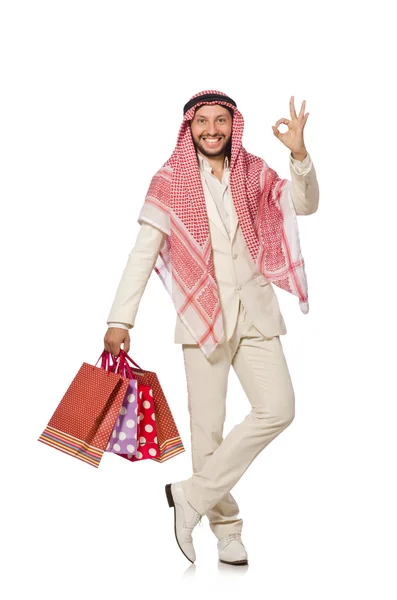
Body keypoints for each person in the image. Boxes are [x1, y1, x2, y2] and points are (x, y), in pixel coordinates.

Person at [104, 90, 319, 565]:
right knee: (207, 432)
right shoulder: (169, 181)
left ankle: (191, 497)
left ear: (232, 124)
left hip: (256, 313)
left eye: (221, 120)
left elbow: (303, 205)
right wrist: (121, 318)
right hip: (202, 318)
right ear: (190, 126)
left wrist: (299, 155)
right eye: (203, 121)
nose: (212, 130)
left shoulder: (252, 171)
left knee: (279, 408)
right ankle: (226, 531)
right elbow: (143, 253)